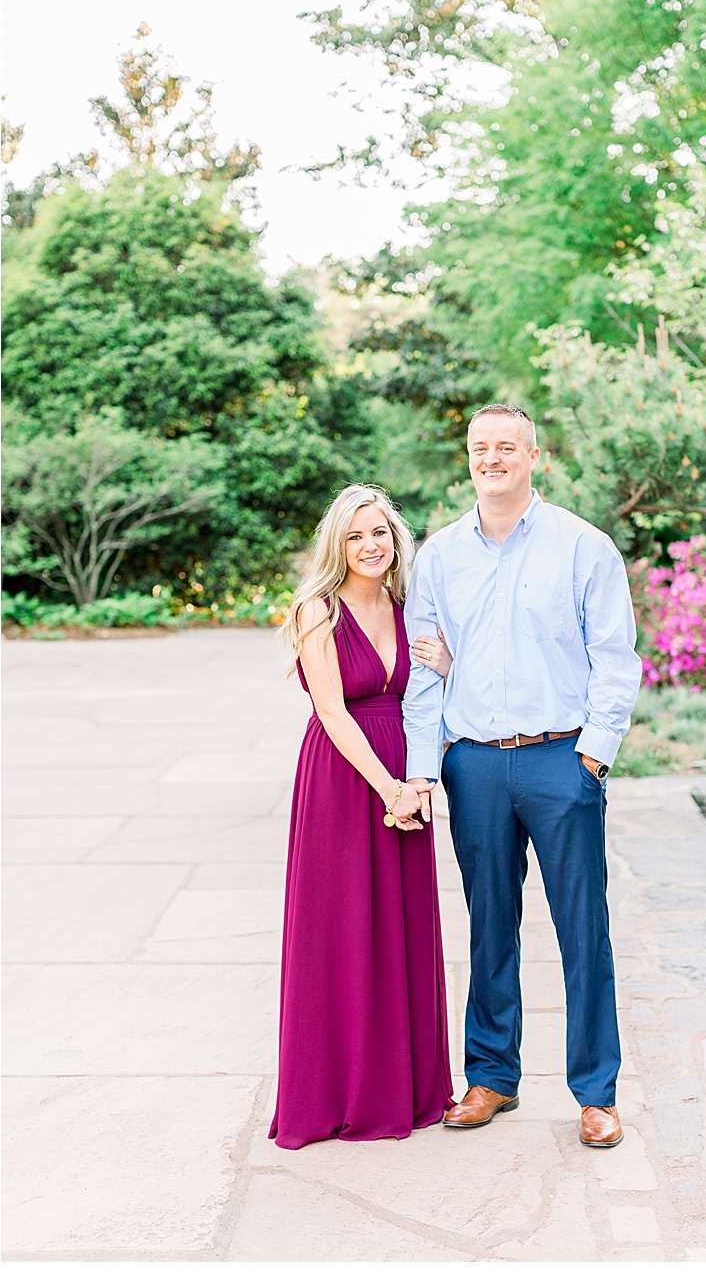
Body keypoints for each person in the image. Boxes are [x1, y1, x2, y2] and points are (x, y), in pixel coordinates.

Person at [401, 404, 641, 1149]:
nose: (492, 458)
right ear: (467, 458)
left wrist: (592, 758)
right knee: (489, 928)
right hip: (473, 764)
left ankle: (596, 1092)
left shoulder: (583, 547)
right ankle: (491, 1077)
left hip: (559, 760)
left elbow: (616, 659)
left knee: (582, 931)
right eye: (480, 448)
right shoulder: (438, 557)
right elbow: (423, 671)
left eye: (507, 447)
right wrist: (423, 773)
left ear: (535, 457)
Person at [268, 483, 455, 1149]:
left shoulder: (411, 609)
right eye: (356, 535)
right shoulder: (316, 611)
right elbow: (332, 711)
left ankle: (405, 1091)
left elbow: (432, 694)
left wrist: (419, 779)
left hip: (407, 777)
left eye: (379, 533)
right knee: (340, 931)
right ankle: (334, 1096)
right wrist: (389, 789)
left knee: (399, 931)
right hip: (346, 781)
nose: (370, 545)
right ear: (336, 545)